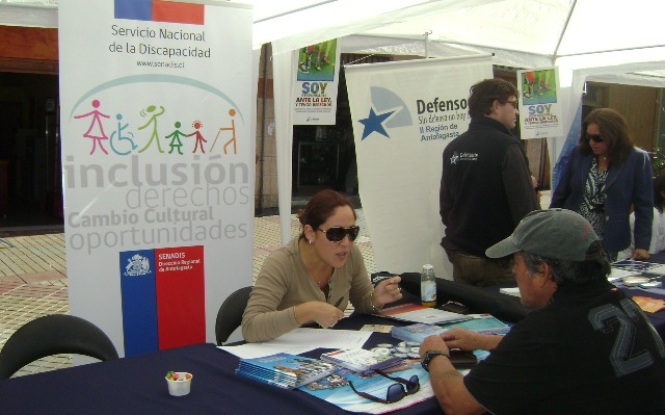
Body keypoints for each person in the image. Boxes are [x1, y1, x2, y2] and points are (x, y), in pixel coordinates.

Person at [419, 209, 665, 415]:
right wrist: (483, 341)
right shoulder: (620, 301)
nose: (514, 273)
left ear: (544, 271)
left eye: (516, 263)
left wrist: (434, 355)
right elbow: (573, 348)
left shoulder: (547, 330)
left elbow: (458, 403)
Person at [242, 189, 402, 342]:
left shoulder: (351, 255)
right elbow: (251, 327)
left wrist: (376, 299)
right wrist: (306, 311)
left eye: (352, 232)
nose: (346, 243)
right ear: (310, 233)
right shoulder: (282, 263)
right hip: (283, 354)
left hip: (328, 347)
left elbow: (363, 303)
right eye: (336, 234)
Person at [440, 78, 540, 287]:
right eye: (513, 104)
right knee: (504, 318)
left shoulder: (454, 147)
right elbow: (526, 212)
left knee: (467, 318)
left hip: (462, 257)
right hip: (499, 262)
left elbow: (446, 206)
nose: (517, 112)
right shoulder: (508, 147)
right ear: (495, 106)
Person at [550, 107, 653, 261]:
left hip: (610, 239)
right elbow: (561, 195)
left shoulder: (636, 159)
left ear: (614, 135)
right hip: (574, 235)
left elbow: (644, 207)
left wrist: (642, 245)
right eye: (588, 137)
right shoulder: (580, 154)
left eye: (598, 138)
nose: (592, 142)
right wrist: (550, 228)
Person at [618, 173, 665, 259]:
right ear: (663, 193)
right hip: (629, 264)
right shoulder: (653, 215)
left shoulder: (661, 212)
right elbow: (649, 254)